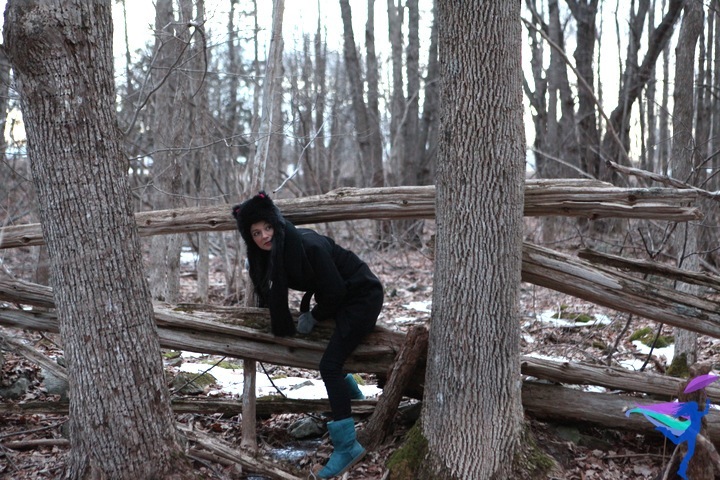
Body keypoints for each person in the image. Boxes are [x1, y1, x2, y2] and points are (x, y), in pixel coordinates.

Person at [232, 191, 383, 478]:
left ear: (277, 223)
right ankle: (352, 396)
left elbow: (336, 290)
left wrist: (315, 315)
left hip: (362, 296)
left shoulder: (307, 246)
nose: (264, 236)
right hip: (340, 297)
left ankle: (347, 446)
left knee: (329, 364)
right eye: (256, 233)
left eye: (267, 227)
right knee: (328, 351)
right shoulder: (277, 254)